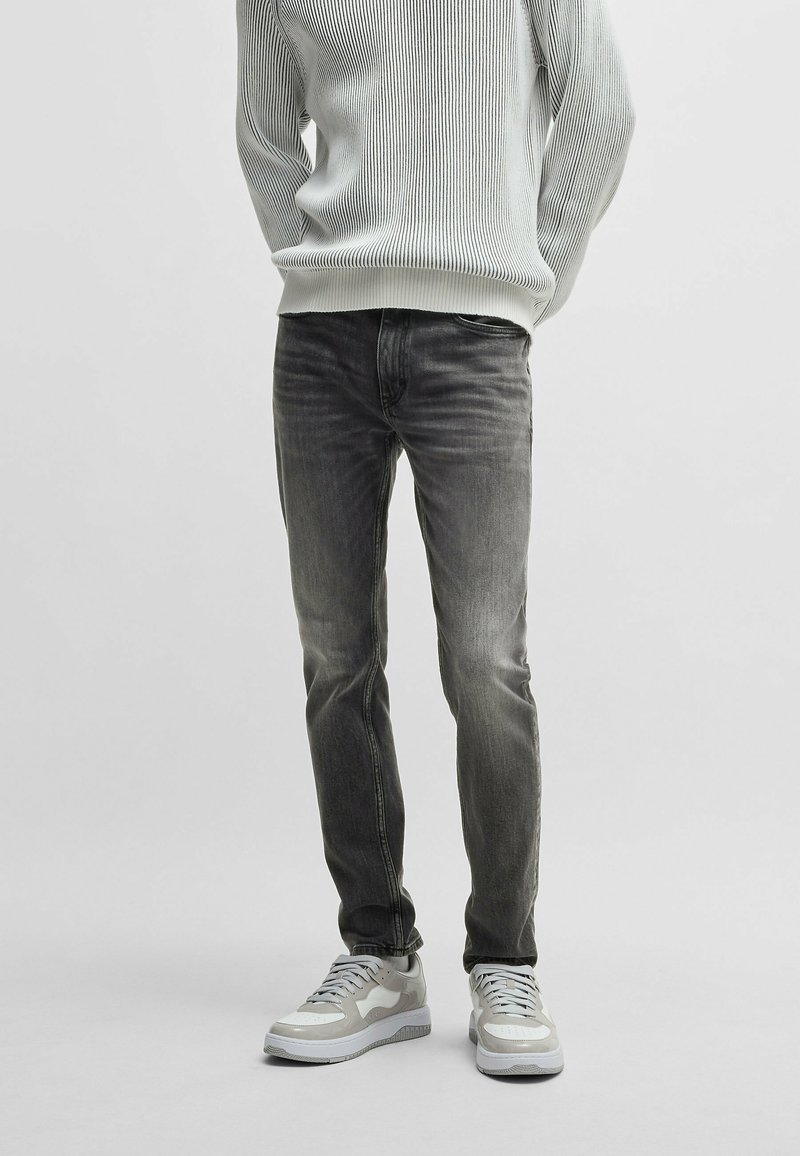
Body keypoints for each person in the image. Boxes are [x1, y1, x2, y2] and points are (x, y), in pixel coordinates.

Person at [235, 0, 635, 1075]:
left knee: (485, 659)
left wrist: (526, 280)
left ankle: (504, 957)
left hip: (474, 339)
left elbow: (600, 108)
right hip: (318, 344)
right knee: (335, 656)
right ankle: (379, 954)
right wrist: (315, 263)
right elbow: (263, 129)